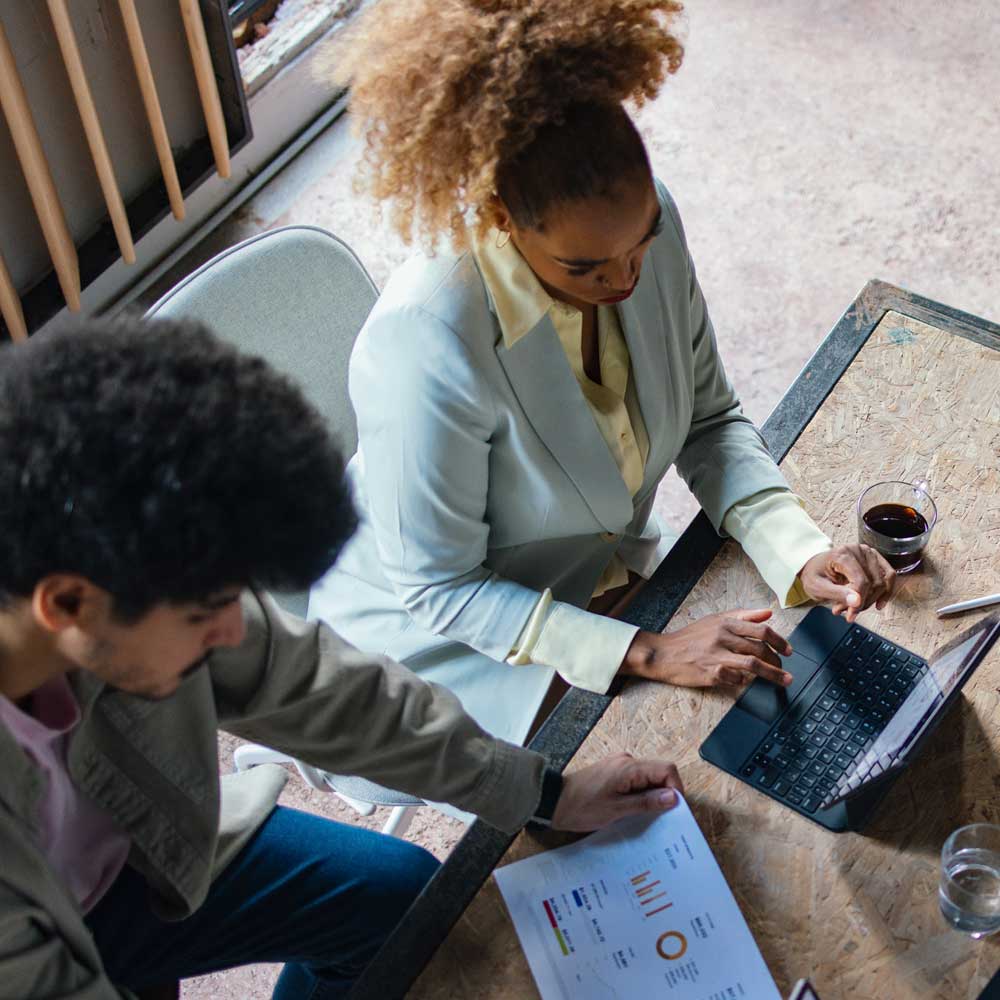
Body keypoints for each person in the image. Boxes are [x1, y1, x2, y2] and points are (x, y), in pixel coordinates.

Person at [0, 316, 684, 1000]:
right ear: (66, 606)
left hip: (138, 843)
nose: (231, 634)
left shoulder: (135, 583)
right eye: (205, 615)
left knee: (399, 903)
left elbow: (323, 691)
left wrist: (544, 794)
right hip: (33, 932)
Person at [308, 0, 898, 748]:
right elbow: (438, 587)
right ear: (499, 216)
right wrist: (649, 650)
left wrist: (800, 548)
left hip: (581, 567)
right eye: (583, 267)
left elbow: (710, 421)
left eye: (641, 242)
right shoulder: (426, 339)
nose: (625, 279)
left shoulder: (644, 224)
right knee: (636, 774)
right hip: (433, 631)